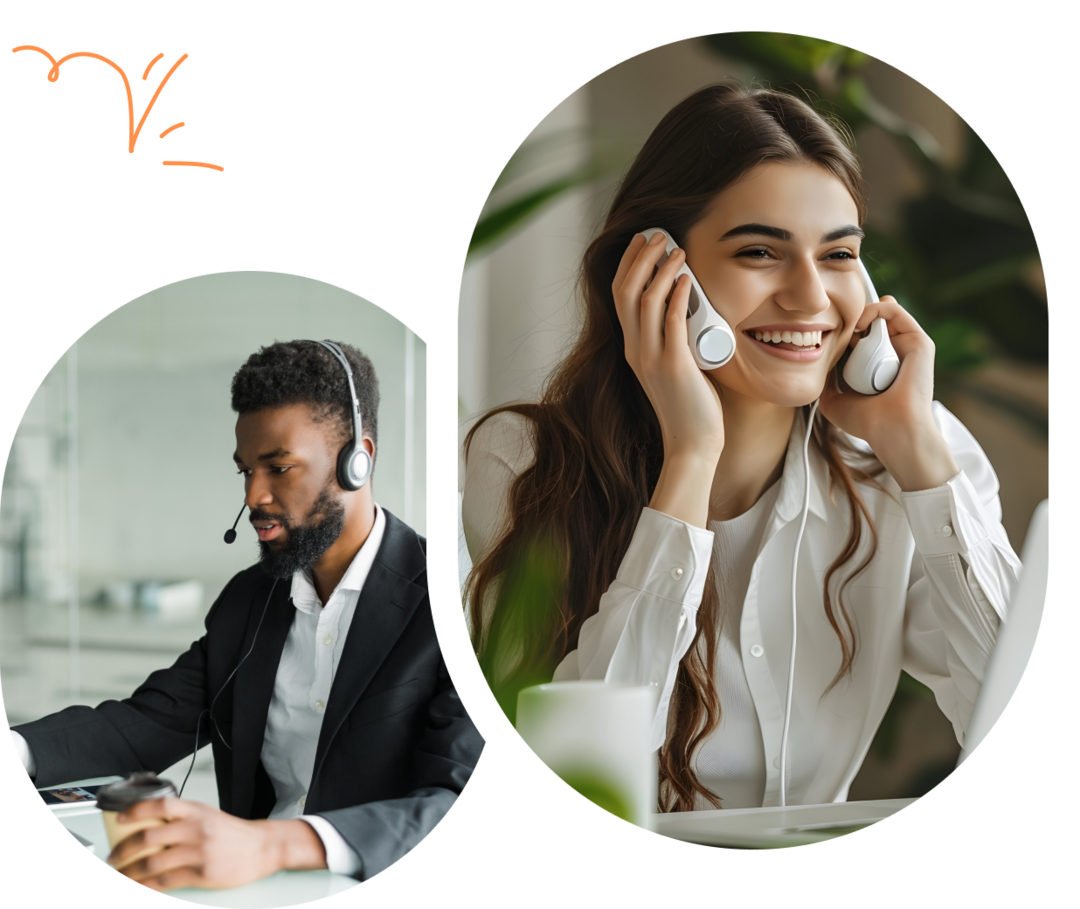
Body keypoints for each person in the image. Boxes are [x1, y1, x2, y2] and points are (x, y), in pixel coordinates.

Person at [461, 83, 1021, 813]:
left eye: (839, 254)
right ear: (658, 275)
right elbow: (571, 781)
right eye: (760, 251)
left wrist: (917, 453)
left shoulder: (912, 453)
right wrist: (689, 458)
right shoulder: (527, 461)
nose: (810, 296)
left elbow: (1012, 717)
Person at [11, 339, 484, 889]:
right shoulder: (248, 600)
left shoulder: (454, 603)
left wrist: (271, 842)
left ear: (359, 460)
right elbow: (143, 724)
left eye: (279, 468)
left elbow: (451, 797)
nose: (255, 494)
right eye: (245, 471)